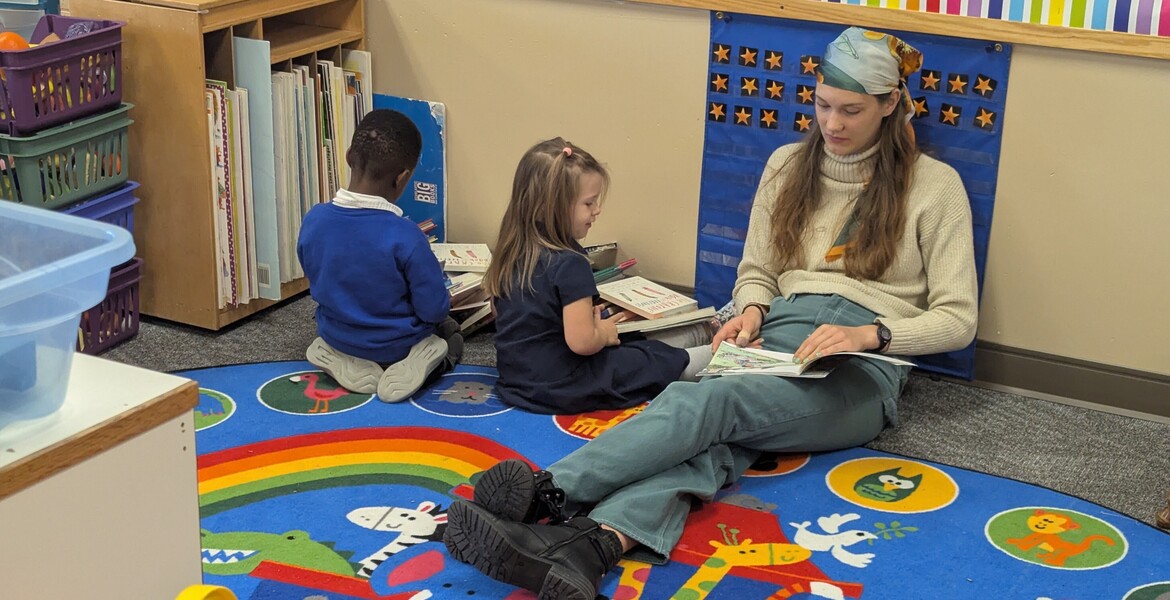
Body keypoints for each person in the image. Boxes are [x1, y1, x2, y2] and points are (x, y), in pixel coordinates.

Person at [443, 26, 979, 599]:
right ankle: (589, 547)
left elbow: (958, 318)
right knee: (718, 446)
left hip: (862, 372)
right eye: (823, 105)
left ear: (891, 104)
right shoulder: (785, 166)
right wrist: (750, 310)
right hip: (778, 339)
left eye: (851, 111)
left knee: (713, 401)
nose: (833, 124)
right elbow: (758, 272)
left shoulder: (936, 187)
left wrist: (871, 335)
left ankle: (549, 492)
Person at [482, 138, 714, 415]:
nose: (597, 210)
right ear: (548, 207)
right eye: (589, 203)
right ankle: (721, 354)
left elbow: (509, 317)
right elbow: (582, 343)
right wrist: (601, 334)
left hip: (518, 381)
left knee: (633, 343)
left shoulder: (511, 252)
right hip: (562, 386)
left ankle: (704, 335)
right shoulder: (570, 264)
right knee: (650, 360)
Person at [297, 109, 462, 402]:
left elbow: (316, 276)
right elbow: (433, 310)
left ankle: (336, 354)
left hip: (337, 332)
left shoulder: (314, 220)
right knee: (451, 333)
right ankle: (416, 364)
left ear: (349, 156)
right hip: (396, 346)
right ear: (403, 177)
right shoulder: (406, 235)